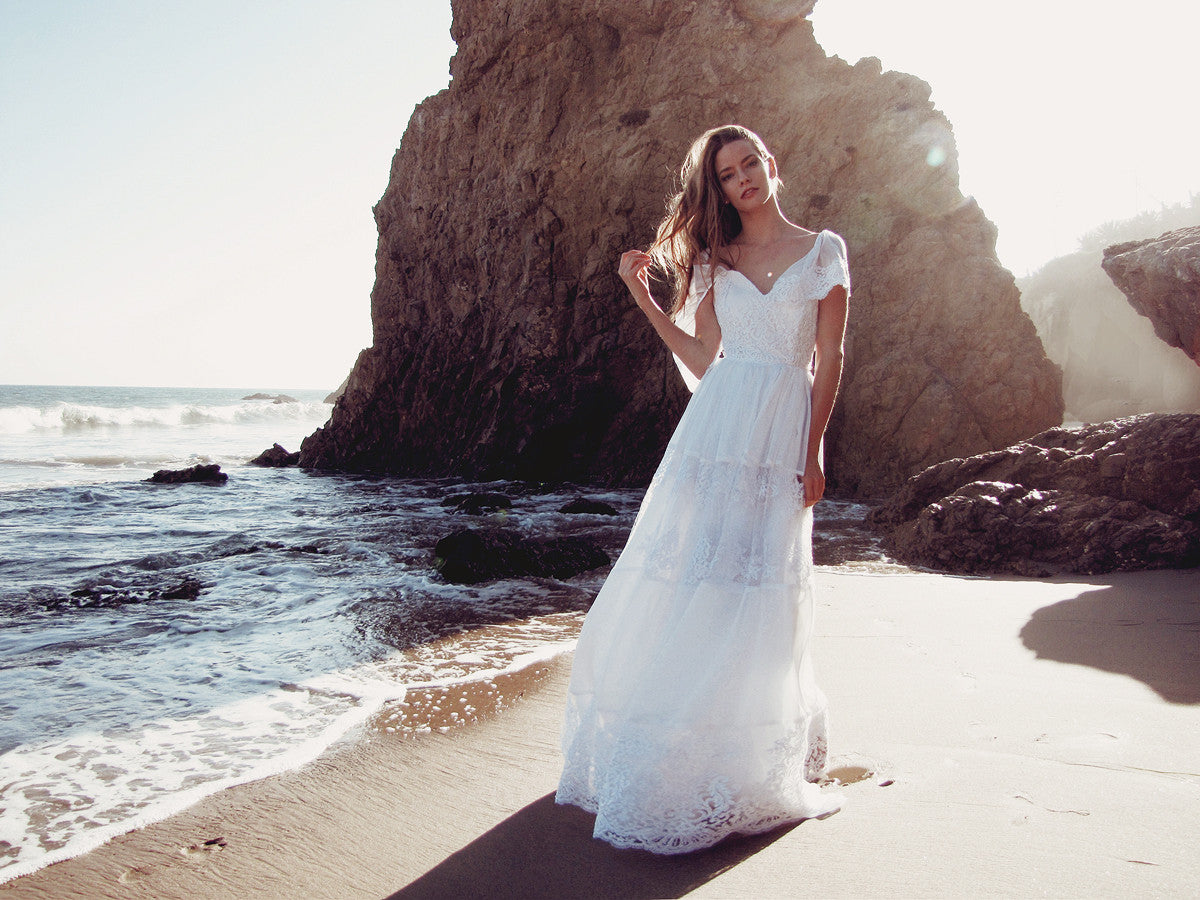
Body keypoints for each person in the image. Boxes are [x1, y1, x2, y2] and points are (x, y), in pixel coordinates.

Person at [555, 124, 851, 854]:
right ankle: (678, 743)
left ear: (772, 167)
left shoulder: (824, 250)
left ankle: (748, 755)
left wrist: (812, 450)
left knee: (761, 587)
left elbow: (831, 356)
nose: (743, 179)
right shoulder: (718, 260)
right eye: (727, 174)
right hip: (714, 435)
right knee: (700, 577)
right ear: (717, 188)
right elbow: (700, 354)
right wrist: (640, 294)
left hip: (782, 430)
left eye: (750, 164)